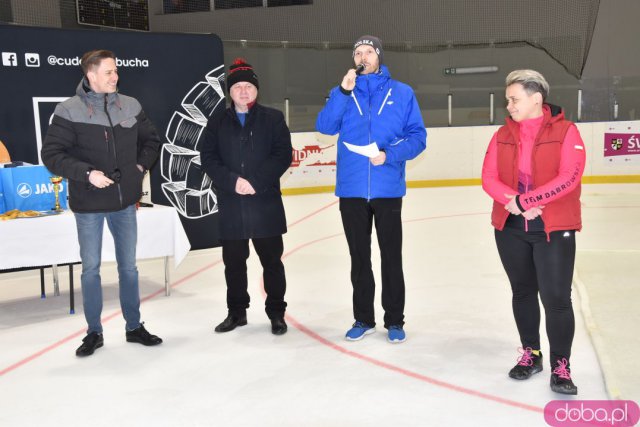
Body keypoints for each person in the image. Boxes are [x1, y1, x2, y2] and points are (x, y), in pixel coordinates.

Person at [42, 49, 163, 357]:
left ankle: (134, 326)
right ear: (91, 75)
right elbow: (52, 155)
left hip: (124, 204)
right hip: (89, 205)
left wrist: (138, 169)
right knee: (91, 270)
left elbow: (151, 141)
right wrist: (87, 174)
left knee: (129, 269)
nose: (115, 77)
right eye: (109, 72)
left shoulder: (131, 105)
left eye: (116, 71)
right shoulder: (68, 110)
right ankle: (94, 332)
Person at [481, 69, 586, 395]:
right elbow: (488, 177)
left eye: (514, 99)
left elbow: (570, 176)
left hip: (553, 228)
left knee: (556, 299)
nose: (508, 104)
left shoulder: (567, 131)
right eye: (507, 99)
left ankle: (561, 365)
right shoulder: (501, 134)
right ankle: (532, 353)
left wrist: (527, 200)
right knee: (523, 292)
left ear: (536, 99)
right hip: (511, 227)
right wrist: (512, 202)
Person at [316, 36, 426, 343]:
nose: (363, 56)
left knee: (391, 256)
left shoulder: (402, 93)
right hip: (351, 189)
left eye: (368, 52)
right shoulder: (342, 92)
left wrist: (389, 155)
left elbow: (418, 136)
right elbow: (324, 126)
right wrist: (342, 92)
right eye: (358, 52)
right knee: (359, 257)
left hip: (387, 188)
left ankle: (395, 320)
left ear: (378, 57)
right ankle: (363, 317)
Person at [201, 58, 292, 336]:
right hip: (232, 204)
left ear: (256, 90)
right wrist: (233, 181)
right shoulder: (217, 121)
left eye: (248, 87)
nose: (243, 91)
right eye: (238, 87)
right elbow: (209, 158)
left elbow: (282, 155)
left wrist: (255, 181)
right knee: (234, 264)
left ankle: (276, 312)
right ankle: (236, 312)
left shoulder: (273, 118)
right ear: (230, 92)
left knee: (272, 263)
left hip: (265, 203)